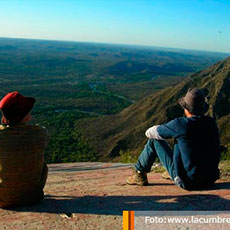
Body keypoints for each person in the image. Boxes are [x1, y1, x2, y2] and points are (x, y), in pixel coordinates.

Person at [126, 88, 220, 190]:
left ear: (186, 109)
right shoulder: (211, 123)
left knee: (154, 141)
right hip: (210, 180)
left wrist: (168, 128)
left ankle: (139, 173)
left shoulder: (181, 124)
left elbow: (149, 133)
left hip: (188, 182)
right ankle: (173, 169)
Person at [0, 91, 49, 207]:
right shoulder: (40, 133)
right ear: (26, 116)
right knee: (43, 164)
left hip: (2, 200)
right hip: (33, 197)